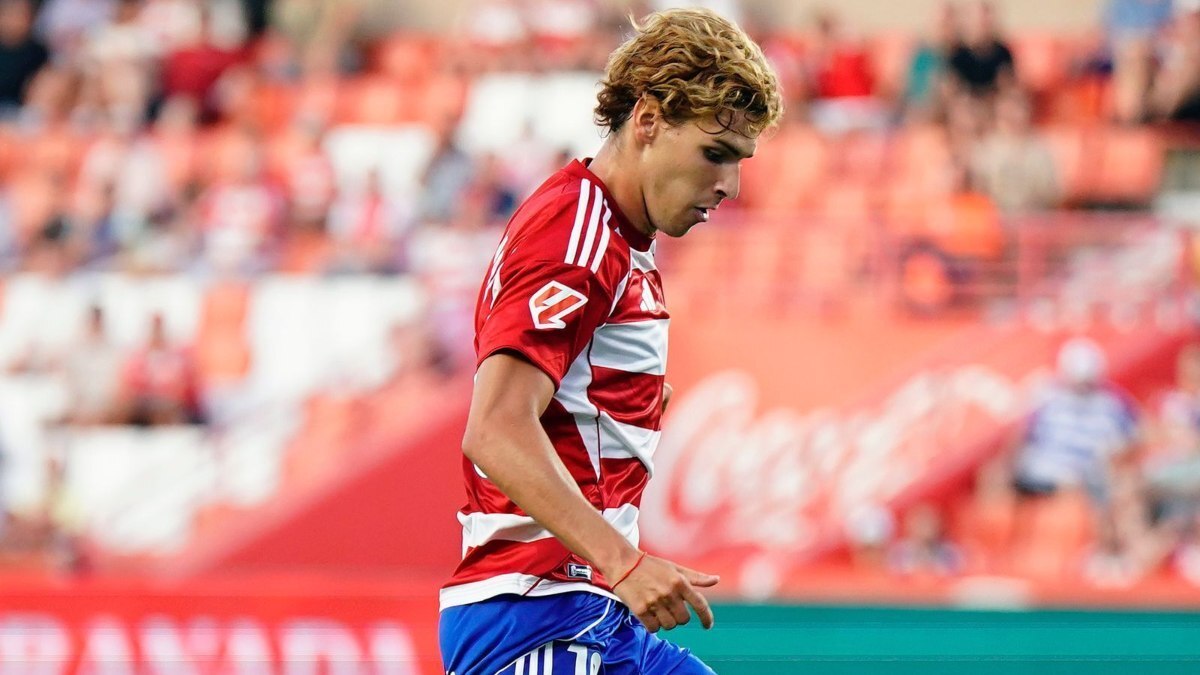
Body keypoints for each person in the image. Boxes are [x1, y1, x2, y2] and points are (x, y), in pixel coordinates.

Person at [438, 8, 782, 674]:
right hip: (536, 614)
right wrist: (625, 561)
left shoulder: (617, 237)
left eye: (739, 162)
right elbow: (496, 427)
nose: (729, 186)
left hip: (589, 613)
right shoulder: (578, 234)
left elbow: (561, 397)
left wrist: (631, 406)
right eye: (716, 154)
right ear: (648, 120)